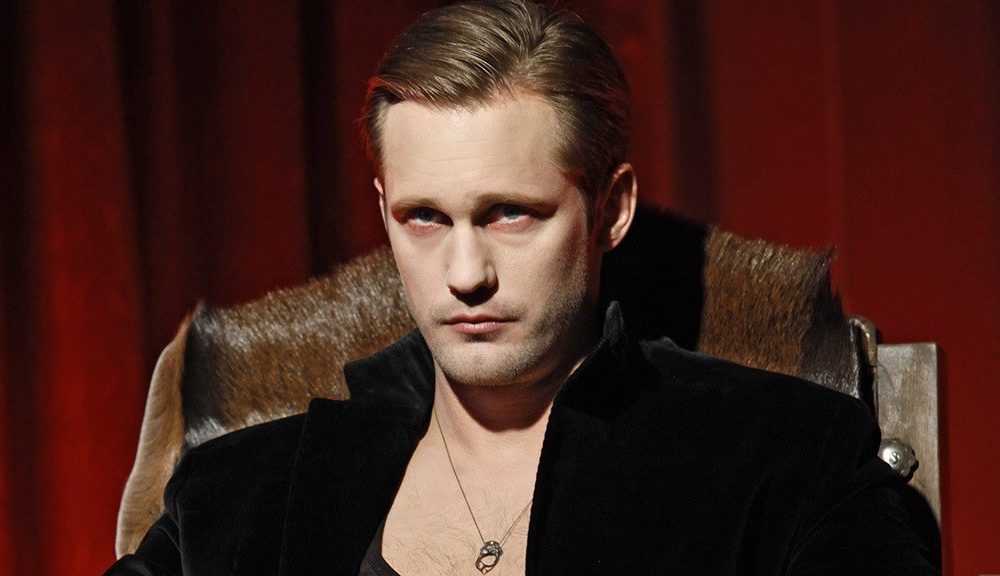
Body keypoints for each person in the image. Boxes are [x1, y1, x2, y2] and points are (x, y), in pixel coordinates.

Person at [106, 1, 936, 574]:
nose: (465, 274)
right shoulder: (238, 492)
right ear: (384, 209)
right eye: (424, 218)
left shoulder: (783, 459)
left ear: (611, 209)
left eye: (509, 214)